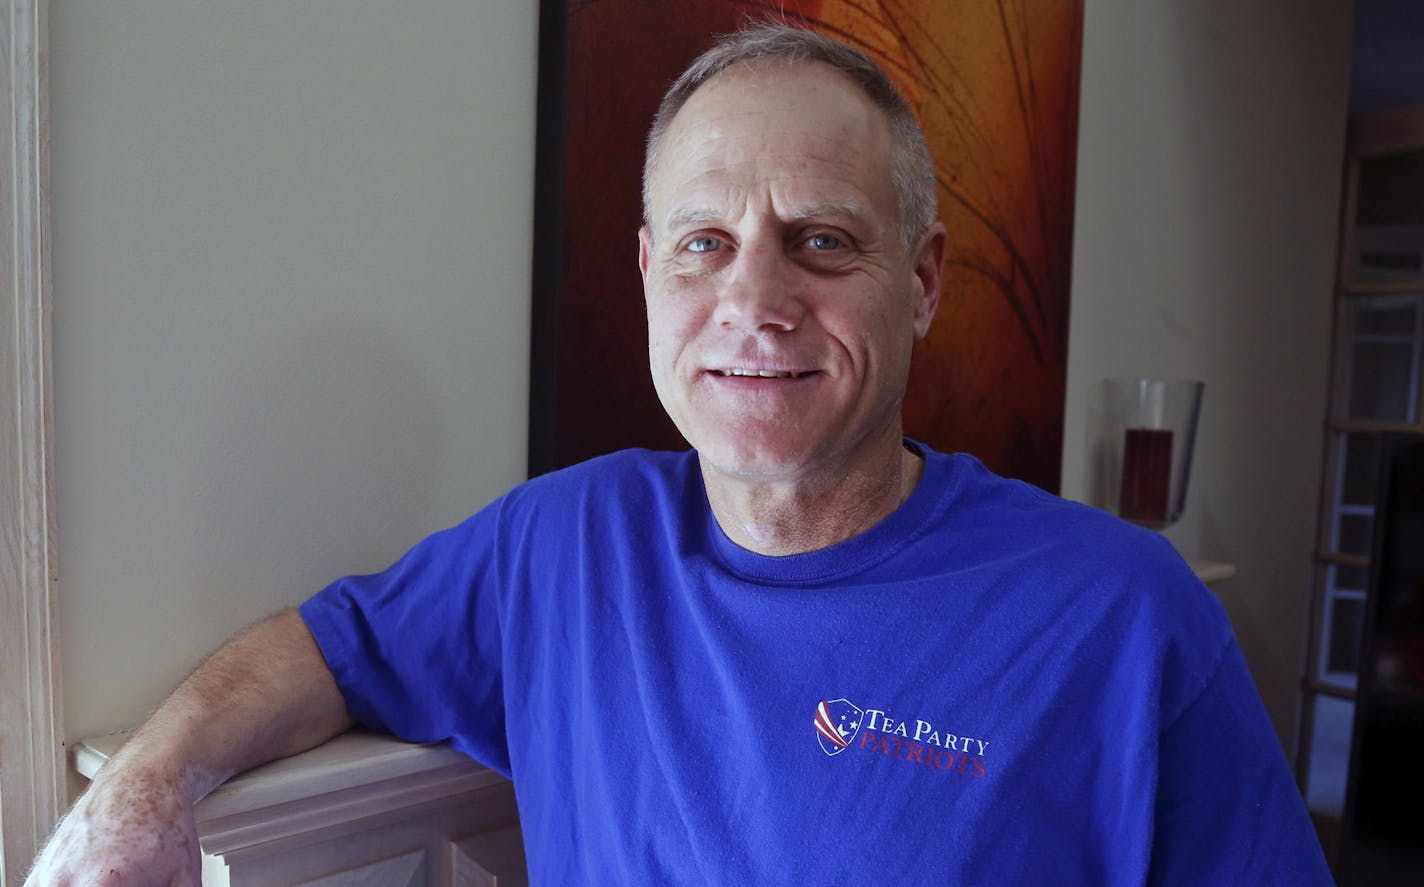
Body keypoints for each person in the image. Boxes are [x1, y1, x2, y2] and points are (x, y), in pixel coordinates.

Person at [28, 25, 1332, 885]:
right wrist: (146, 788)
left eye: (822, 240)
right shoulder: (563, 546)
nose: (754, 303)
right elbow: (321, 650)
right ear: (652, 275)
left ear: (921, 279)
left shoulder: (1121, 617)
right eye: (705, 244)